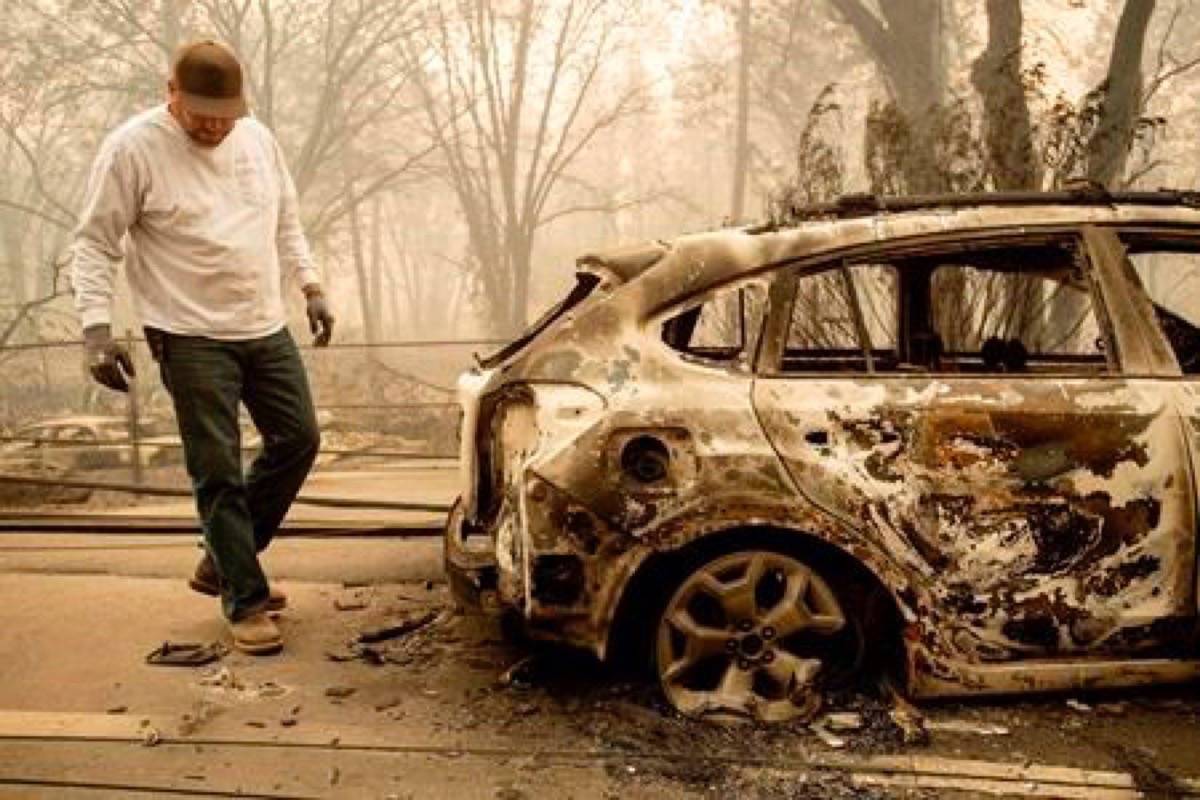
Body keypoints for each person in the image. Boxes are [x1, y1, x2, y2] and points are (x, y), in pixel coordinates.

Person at [71, 40, 335, 655]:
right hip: (186, 332)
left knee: (299, 439)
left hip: (262, 322)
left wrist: (312, 285)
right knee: (215, 466)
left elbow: (286, 219)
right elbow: (95, 243)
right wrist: (95, 331)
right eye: (202, 115)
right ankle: (244, 598)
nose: (215, 126)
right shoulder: (132, 148)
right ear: (172, 94)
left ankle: (222, 558)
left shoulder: (257, 139)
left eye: (226, 114)